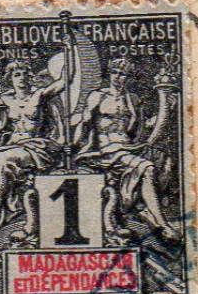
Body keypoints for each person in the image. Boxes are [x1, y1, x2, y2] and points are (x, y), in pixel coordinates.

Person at [0, 57, 69, 248]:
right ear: (11, 78)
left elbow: (64, 81)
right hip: (12, 147)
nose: (22, 78)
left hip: (35, 148)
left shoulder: (39, 96)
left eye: (25, 74)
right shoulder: (6, 100)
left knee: (1, 161)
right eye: (17, 74)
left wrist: (70, 56)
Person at [73, 56, 180, 242]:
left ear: (128, 77)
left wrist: (164, 113)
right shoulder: (98, 96)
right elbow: (85, 123)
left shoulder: (132, 99)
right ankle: (162, 223)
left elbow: (138, 128)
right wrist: (73, 146)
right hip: (106, 151)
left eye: (122, 74)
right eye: (115, 72)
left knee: (165, 161)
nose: (118, 77)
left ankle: (145, 211)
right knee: (146, 167)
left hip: (128, 148)